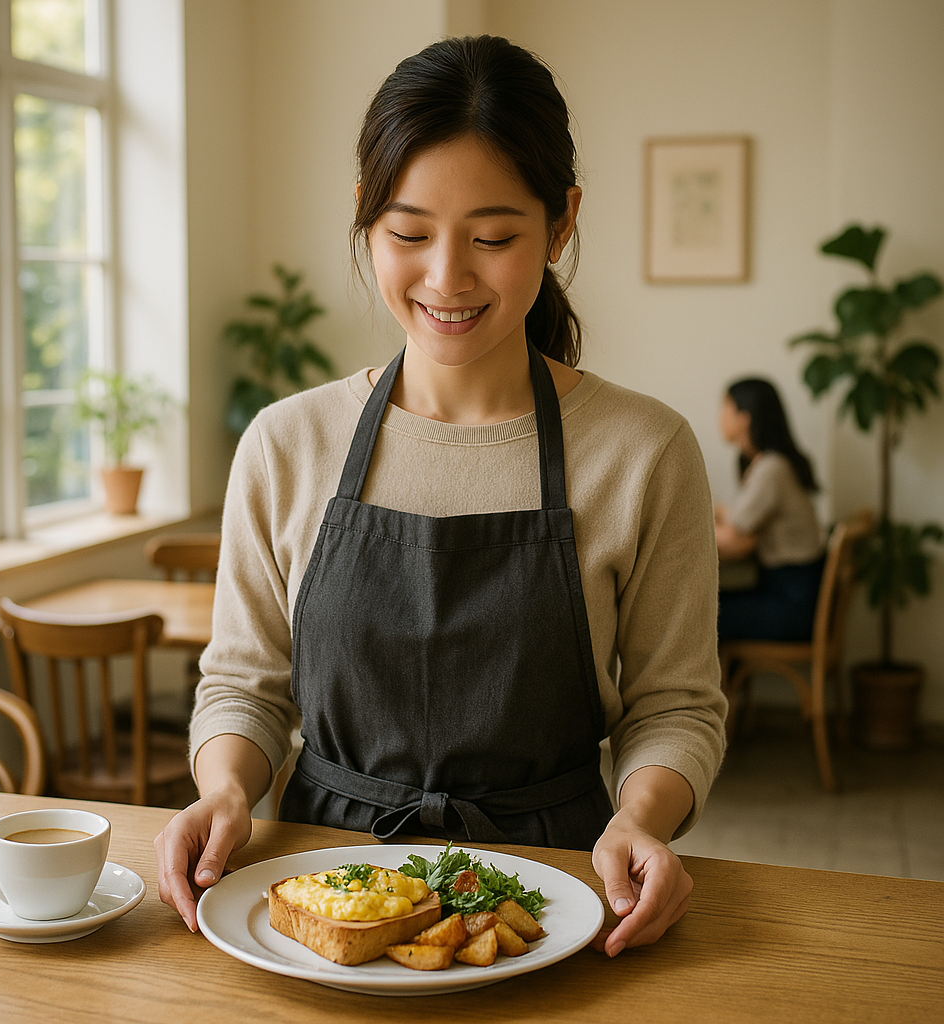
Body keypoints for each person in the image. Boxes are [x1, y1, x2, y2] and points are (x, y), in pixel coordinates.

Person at [155, 35, 726, 959]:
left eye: (494, 237)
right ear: (364, 219)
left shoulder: (644, 450)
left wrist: (644, 819)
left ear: (562, 221)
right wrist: (222, 789)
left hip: (557, 899)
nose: (448, 278)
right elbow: (245, 685)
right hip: (317, 894)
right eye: (410, 235)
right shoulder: (286, 443)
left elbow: (675, 705)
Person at [715, 377, 825, 641]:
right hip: (796, 594)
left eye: (725, 407)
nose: (719, 416)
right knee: (708, 605)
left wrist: (679, 533)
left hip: (791, 604)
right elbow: (743, 524)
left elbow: (736, 542)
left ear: (745, 418)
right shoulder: (772, 463)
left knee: (696, 613)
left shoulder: (771, 469)